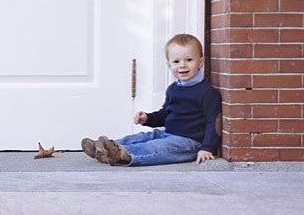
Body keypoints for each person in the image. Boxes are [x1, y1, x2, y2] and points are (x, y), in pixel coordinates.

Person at [82, 33, 222, 166]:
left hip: (190, 142)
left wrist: (207, 148)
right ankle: (105, 147)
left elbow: (213, 123)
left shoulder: (207, 92)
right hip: (168, 133)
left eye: (189, 60)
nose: (182, 65)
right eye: (176, 61)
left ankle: (122, 153)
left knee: (155, 146)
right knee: (144, 137)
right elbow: (164, 114)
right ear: (169, 65)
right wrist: (147, 118)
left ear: (200, 62)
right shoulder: (173, 89)